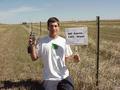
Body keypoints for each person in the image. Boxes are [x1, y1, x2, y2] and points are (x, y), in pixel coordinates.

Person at [28, 17, 80, 90]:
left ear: (58, 27)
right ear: (48, 28)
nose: (53, 28)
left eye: (55, 26)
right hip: (49, 78)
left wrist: (76, 59)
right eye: (51, 26)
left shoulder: (64, 41)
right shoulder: (41, 41)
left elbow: (67, 58)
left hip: (64, 76)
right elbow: (34, 58)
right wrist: (32, 46)